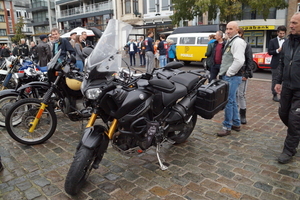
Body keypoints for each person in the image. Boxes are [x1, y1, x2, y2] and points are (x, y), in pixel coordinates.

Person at [275, 12, 300, 164]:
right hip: (287, 87)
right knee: (283, 113)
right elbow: (282, 64)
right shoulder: (287, 43)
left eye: (295, 23)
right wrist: (278, 81)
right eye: (291, 22)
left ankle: (289, 150)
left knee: (294, 120)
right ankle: (296, 133)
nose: (291, 25)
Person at [217, 21, 246, 137]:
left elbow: (239, 60)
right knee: (232, 100)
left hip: (232, 77)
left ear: (237, 30)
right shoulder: (232, 40)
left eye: (231, 29)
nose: (228, 31)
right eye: (227, 29)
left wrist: (229, 73)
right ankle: (236, 123)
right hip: (231, 76)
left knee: (228, 101)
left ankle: (227, 126)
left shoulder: (238, 42)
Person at [236, 28, 255, 124]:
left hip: (242, 73)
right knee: (234, 95)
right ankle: (235, 115)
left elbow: (249, 60)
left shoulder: (246, 45)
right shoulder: (232, 44)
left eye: (239, 33)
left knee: (241, 94)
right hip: (233, 74)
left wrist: (246, 74)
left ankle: (242, 114)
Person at [268, 25, 287, 102]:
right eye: (280, 33)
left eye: (283, 33)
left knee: (285, 80)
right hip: (275, 63)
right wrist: (277, 50)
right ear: (277, 33)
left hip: (285, 64)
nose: (281, 35)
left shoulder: (287, 41)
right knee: (275, 80)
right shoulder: (272, 41)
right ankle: (274, 94)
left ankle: (284, 95)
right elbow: (269, 52)